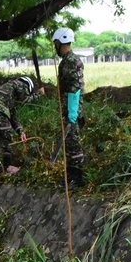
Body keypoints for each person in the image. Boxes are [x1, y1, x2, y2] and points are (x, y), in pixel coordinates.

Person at [0, 75, 41, 175]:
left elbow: (13, 117)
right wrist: (39, 94)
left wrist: (20, 132)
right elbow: (24, 100)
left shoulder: (8, 91)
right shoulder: (19, 84)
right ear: (28, 85)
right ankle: (7, 166)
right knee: (7, 137)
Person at [53, 27, 86, 187]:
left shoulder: (71, 61)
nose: (55, 46)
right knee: (69, 143)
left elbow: (75, 88)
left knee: (73, 143)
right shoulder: (66, 61)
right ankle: (70, 175)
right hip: (67, 109)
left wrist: (72, 112)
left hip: (72, 110)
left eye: (55, 43)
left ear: (60, 42)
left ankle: (77, 178)